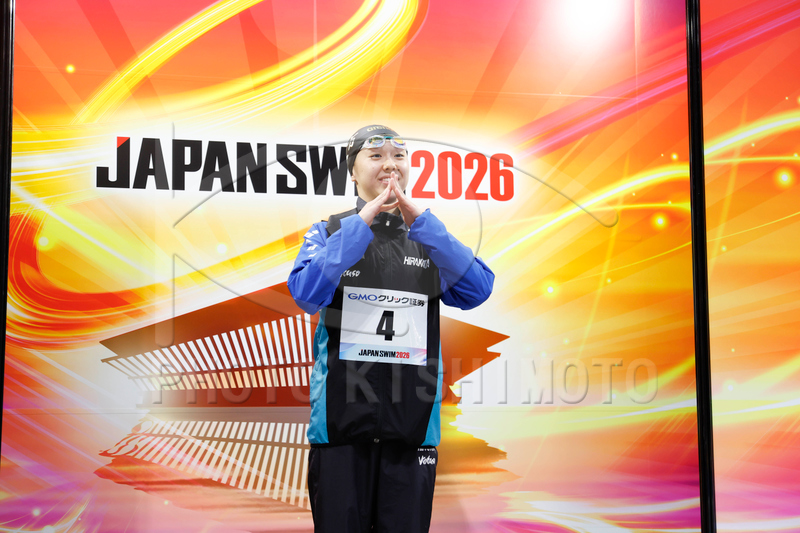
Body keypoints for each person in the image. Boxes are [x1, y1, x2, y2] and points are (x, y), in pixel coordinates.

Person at [288, 125, 494, 533]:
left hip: (411, 433)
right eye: (376, 155)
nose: (389, 164)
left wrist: (424, 225)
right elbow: (306, 293)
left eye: (399, 156)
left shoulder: (428, 238)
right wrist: (360, 224)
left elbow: (477, 290)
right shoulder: (328, 232)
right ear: (352, 171)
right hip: (341, 433)